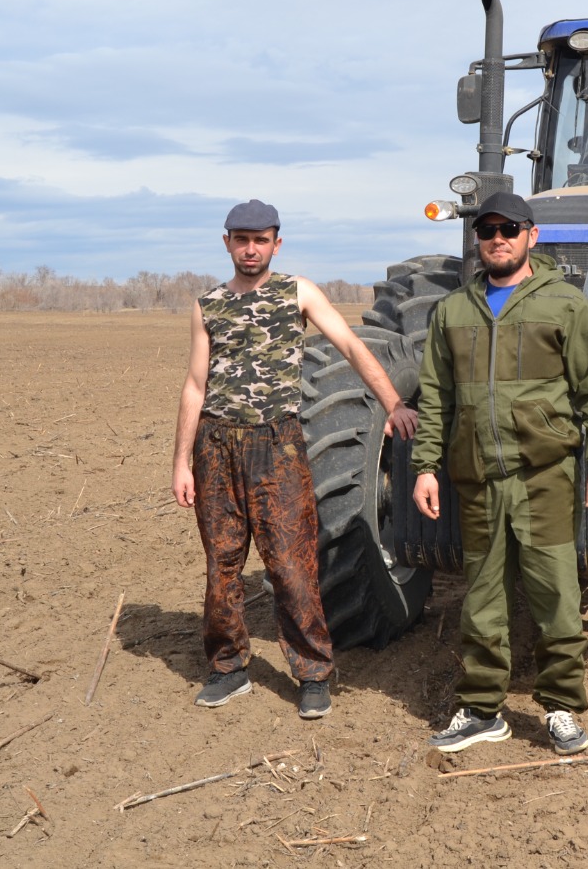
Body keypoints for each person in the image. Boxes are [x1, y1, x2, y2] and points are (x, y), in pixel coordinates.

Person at [172, 199, 418, 717]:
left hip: (275, 445)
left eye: (261, 239)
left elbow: (350, 346)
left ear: (276, 243)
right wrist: (180, 462)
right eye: (241, 239)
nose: (251, 248)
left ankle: (312, 673)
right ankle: (227, 667)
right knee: (222, 567)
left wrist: (393, 402)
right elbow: (196, 385)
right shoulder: (207, 304)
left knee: (291, 564)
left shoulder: (297, 292)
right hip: (216, 447)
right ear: (227, 243)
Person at [410, 191, 588, 755]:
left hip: (543, 475)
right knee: (481, 597)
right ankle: (482, 709)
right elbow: (435, 398)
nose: (496, 238)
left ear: (531, 235)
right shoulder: (454, 311)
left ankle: (560, 708)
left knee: (555, 593)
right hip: (476, 476)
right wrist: (425, 466)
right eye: (487, 230)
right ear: (477, 239)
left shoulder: (563, 304)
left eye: (508, 228)